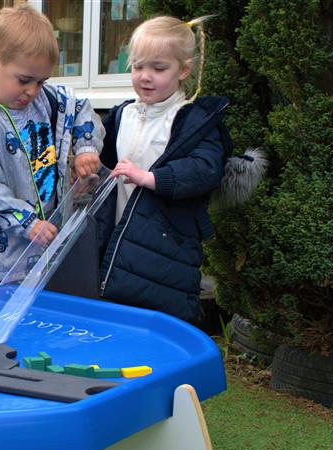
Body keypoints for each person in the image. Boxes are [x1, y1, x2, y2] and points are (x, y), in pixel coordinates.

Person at [96, 15, 234, 323]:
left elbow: (205, 168)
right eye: (137, 66)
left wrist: (151, 178)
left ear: (183, 70)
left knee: (157, 321)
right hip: (119, 237)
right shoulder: (122, 115)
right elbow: (100, 156)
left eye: (158, 69)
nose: (145, 76)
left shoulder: (192, 121)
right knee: (115, 317)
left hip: (168, 245)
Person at [0, 5, 105, 282]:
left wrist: (86, 149)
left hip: (48, 242)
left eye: (41, 81)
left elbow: (80, 107)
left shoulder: (44, 99)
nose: (32, 91)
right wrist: (27, 223)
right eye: (24, 80)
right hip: (3, 255)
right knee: (7, 314)